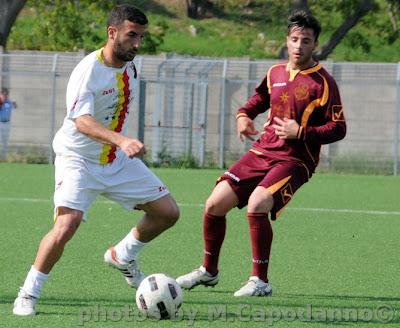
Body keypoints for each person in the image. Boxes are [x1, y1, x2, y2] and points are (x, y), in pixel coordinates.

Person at [13, 4, 180, 316]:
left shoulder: (129, 66)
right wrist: (122, 139)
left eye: (142, 37)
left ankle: (123, 255)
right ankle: (27, 294)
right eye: (132, 36)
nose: (137, 44)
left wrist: (119, 145)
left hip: (114, 159)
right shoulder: (88, 71)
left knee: (167, 212)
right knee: (67, 224)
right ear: (112, 32)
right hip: (77, 158)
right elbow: (82, 121)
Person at [176, 10, 346, 297]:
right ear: (287, 41)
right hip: (261, 152)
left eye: (306, 40)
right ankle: (209, 271)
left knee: (258, 203)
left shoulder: (324, 82)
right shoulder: (275, 73)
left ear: (314, 44)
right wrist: (243, 116)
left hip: (295, 160)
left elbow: (338, 128)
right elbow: (256, 102)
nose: (299, 46)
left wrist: (301, 133)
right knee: (214, 204)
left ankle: (260, 281)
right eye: (294, 39)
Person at [0, 88, 14, 160]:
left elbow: (14, 106)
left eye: (6, 94)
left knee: (5, 141)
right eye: (3, 94)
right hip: (0, 123)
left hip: (7, 123)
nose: (5, 96)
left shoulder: (9, 102)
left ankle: (3, 157)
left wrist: (14, 103)